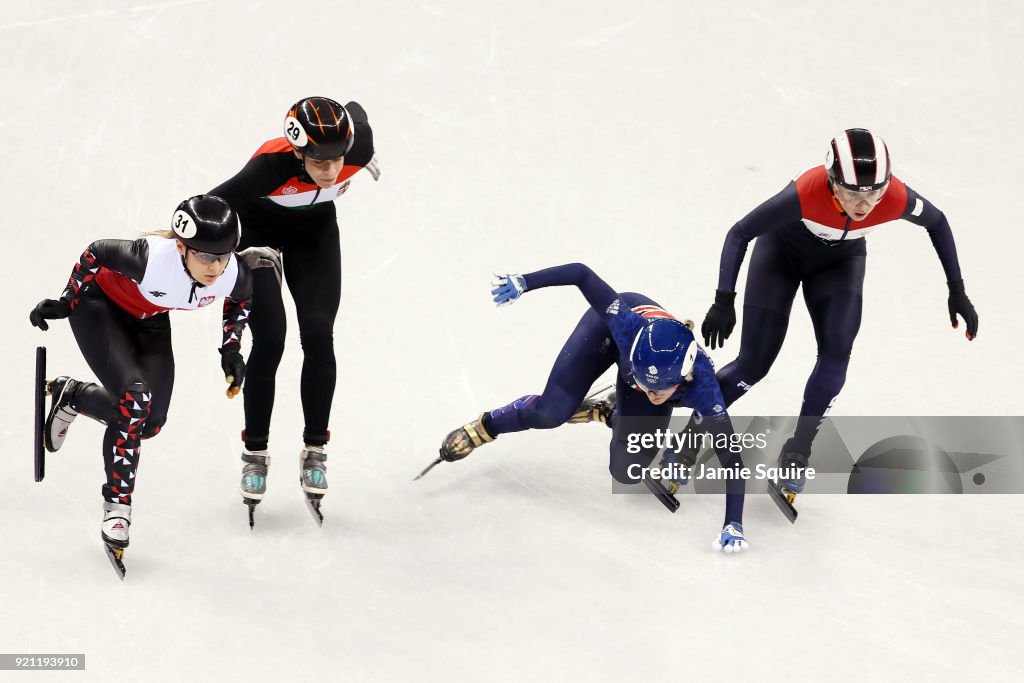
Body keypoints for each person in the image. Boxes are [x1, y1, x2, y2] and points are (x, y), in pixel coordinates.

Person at [698, 128, 978, 499]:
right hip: (782, 252)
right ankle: (693, 436)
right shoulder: (805, 192)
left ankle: (798, 449)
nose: (864, 205)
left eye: (874, 193)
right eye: (851, 193)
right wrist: (723, 299)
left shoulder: (895, 197)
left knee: (836, 356)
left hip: (840, 262)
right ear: (832, 184)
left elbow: (938, 222)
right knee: (754, 363)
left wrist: (957, 290)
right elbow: (740, 233)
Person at [435, 263, 750, 552]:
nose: (650, 393)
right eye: (644, 384)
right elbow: (581, 274)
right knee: (550, 412)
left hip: (643, 364)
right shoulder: (626, 323)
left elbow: (732, 458)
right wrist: (524, 282)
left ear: (686, 375)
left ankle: (610, 412)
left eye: (657, 389)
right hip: (606, 334)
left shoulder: (706, 391)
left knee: (627, 471)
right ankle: (487, 426)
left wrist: (733, 523)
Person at [28, 195, 278, 556]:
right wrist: (67, 300)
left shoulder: (233, 272)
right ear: (181, 247)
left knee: (148, 424)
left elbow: (240, 302)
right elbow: (96, 252)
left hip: (149, 318)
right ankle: (117, 508)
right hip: (99, 306)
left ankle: (74, 396)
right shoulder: (151, 259)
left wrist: (232, 350)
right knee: (135, 398)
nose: (214, 267)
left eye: (222, 256)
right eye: (205, 256)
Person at [207, 96, 379, 512]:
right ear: (298, 152)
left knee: (319, 335)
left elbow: (356, 110)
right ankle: (256, 453)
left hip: (313, 236)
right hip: (257, 239)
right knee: (271, 341)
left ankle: (315, 449)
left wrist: (363, 157)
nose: (331, 170)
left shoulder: (357, 146)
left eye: (337, 160)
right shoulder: (268, 167)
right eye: (319, 162)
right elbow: (209, 207)